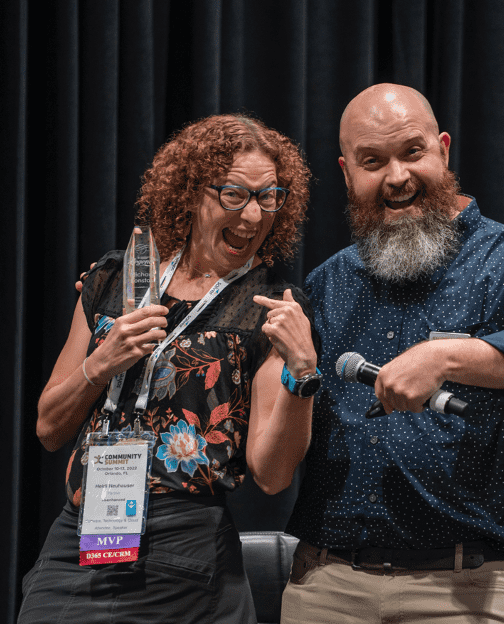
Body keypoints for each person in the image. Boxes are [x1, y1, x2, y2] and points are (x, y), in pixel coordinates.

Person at [280, 84, 504, 624]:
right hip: (327, 587)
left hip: (466, 589)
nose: (397, 176)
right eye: (373, 161)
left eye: (412, 152)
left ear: (443, 149)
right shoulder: (326, 283)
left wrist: (446, 358)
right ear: (346, 171)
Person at [18, 114, 320, 624]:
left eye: (269, 197)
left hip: (189, 554)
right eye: (234, 195)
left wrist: (303, 373)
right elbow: (49, 428)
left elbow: (271, 475)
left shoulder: (270, 306)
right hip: (84, 537)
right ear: (190, 192)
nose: (252, 215)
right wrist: (101, 363)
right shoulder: (115, 280)